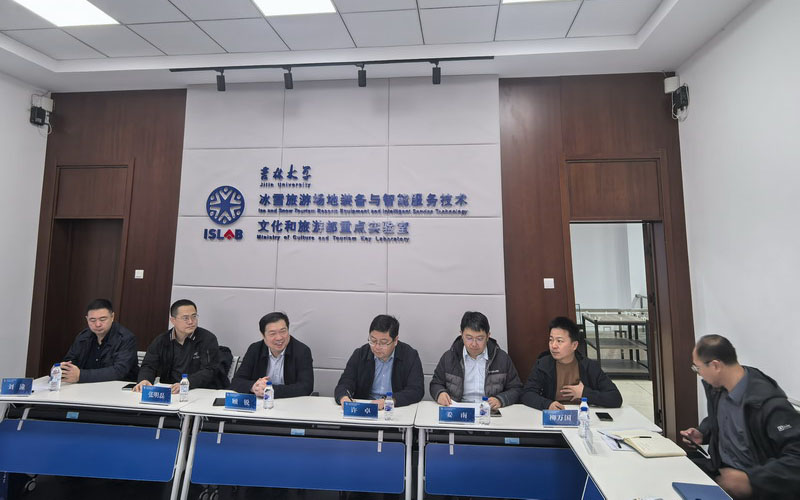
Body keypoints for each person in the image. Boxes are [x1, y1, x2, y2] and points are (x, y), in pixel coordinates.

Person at [680, 335, 800, 500]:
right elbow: (722, 418)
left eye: (697, 368)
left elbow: (796, 458)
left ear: (715, 366)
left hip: (755, 487)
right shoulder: (719, 388)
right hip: (721, 472)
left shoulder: (769, 404)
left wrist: (751, 480)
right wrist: (703, 432)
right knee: (673, 474)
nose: (699, 374)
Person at [521, 316, 622, 410]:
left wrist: (584, 393)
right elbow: (527, 394)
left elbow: (615, 398)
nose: (553, 345)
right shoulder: (543, 364)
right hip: (555, 414)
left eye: (559, 341)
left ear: (574, 345)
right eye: (551, 340)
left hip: (582, 414)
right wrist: (547, 404)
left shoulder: (589, 366)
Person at [430, 311, 522, 409]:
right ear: (461, 335)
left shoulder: (501, 358)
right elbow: (436, 384)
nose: (474, 344)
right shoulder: (449, 357)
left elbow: (516, 388)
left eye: (480, 338)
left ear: (488, 336)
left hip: (489, 410)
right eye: (469, 338)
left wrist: (500, 399)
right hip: (458, 408)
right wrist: (440, 393)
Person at [134, 299, 223, 393]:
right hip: (170, 390)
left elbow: (210, 370)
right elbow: (149, 365)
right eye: (185, 318)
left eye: (194, 316)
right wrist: (145, 380)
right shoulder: (162, 340)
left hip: (199, 390)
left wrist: (186, 383)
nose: (191, 322)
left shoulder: (207, 339)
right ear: (173, 320)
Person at [334, 314, 424, 408]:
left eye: (383, 343)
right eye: (373, 341)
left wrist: (389, 401)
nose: (377, 347)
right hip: (365, 408)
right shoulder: (360, 354)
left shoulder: (409, 355)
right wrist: (344, 398)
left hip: (394, 409)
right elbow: (345, 383)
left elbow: (416, 390)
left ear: (395, 340)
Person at [230, 312, 314, 398]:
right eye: (272, 333)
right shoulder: (255, 349)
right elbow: (236, 381)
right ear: (263, 335)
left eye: (283, 331)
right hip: (260, 403)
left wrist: (269, 390)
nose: (279, 338)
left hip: (290, 403)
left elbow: (306, 387)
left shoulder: (302, 351)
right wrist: (254, 387)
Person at [60, 298, 138, 383]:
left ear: (112, 317)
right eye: (92, 320)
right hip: (86, 387)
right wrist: (62, 369)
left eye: (102, 319)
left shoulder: (125, 338)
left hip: (117, 387)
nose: (97, 324)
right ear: (87, 319)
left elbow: (119, 371)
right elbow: (70, 360)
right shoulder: (83, 337)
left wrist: (81, 375)